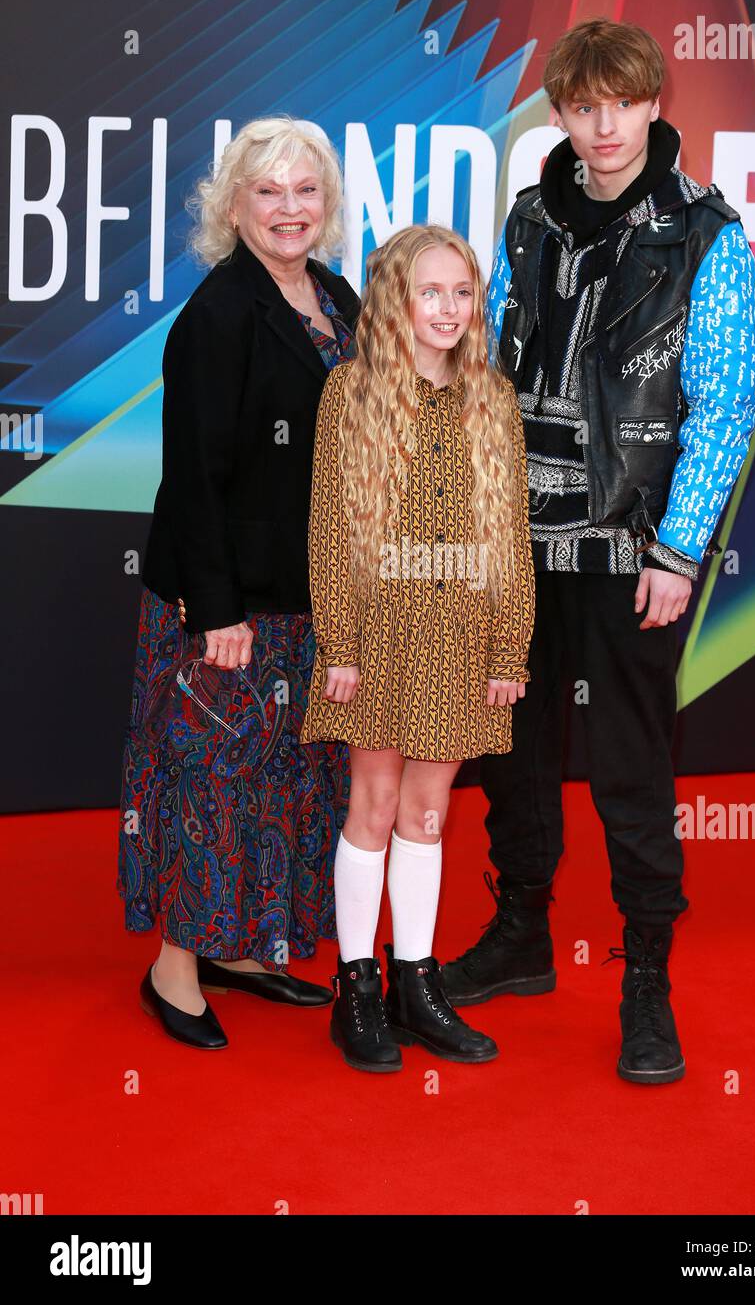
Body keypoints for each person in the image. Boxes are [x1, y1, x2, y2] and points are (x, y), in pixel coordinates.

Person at [440, 18, 755, 1085]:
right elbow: (485, 360)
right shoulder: (530, 216)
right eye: (581, 106)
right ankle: (521, 930)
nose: (602, 124)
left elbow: (721, 405)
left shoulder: (704, 235)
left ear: (652, 103)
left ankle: (645, 983)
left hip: (630, 547)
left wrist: (676, 553)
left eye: (620, 103)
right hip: (518, 544)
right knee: (512, 751)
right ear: (562, 113)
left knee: (629, 768)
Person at [118, 115, 360, 1049]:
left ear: (328, 203)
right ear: (233, 206)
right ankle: (174, 967)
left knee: (281, 779)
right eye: (269, 192)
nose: (289, 209)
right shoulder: (218, 315)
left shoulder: (335, 296)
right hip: (229, 607)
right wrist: (217, 612)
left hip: (307, 601)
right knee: (207, 778)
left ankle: (241, 947)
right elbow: (192, 477)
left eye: (306, 191)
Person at [299, 224, 536, 1073]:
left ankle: (415, 980)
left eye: (462, 292)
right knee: (373, 803)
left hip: (459, 636)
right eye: (428, 292)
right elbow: (330, 532)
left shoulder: (493, 400)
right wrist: (342, 644)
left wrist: (509, 648)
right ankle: (356, 986)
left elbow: (509, 534)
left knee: (428, 814)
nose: (447, 309)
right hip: (375, 632)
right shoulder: (349, 395)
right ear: (395, 300)